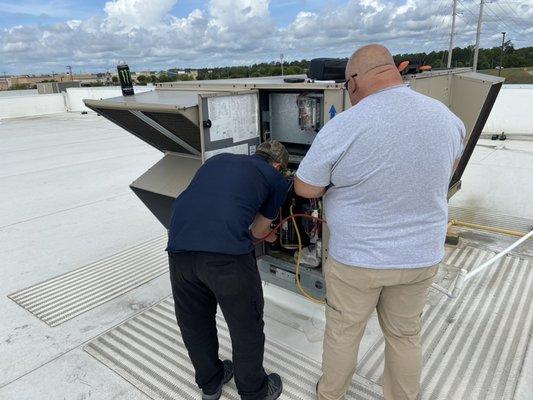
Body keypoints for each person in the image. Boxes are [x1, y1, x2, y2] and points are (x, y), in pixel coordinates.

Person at [294, 44, 465, 400]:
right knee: (405, 335)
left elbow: (306, 187)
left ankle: (330, 394)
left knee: (343, 333)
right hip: (420, 257)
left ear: (354, 80)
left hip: (359, 260)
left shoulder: (345, 125)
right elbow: (444, 173)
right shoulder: (447, 118)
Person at [166, 140, 289, 400]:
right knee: (246, 324)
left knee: (194, 322)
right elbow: (257, 231)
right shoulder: (276, 179)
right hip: (227, 258)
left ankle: (211, 384)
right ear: (278, 166)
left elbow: (212, 201)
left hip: (179, 248)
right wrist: (268, 235)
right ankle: (254, 391)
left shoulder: (217, 160)